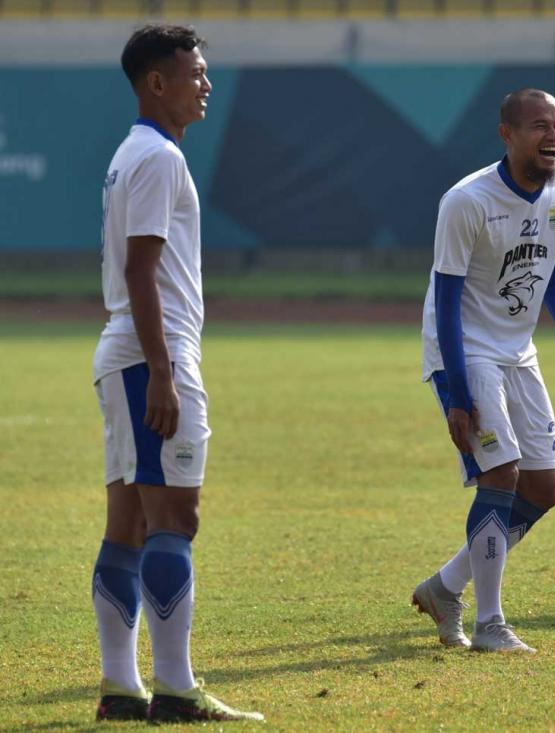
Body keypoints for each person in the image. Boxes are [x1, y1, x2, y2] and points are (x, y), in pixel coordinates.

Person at [91, 24, 262, 722]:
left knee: (128, 524)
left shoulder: (133, 152)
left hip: (125, 351)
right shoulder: (159, 158)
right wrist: (163, 371)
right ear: (156, 83)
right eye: (194, 72)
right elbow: (141, 269)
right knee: (175, 518)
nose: (206, 83)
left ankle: (121, 688)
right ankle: (176, 688)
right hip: (150, 355)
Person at [412, 89, 555, 653]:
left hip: (517, 350)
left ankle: (446, 586)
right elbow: (446, 300)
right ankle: (489, 624)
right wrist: (455, 390)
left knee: (543, 489)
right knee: (499, 475)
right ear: (506, 134)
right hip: (465, 349)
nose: (552, 135)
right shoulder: (467, 200)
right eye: (537, 126)